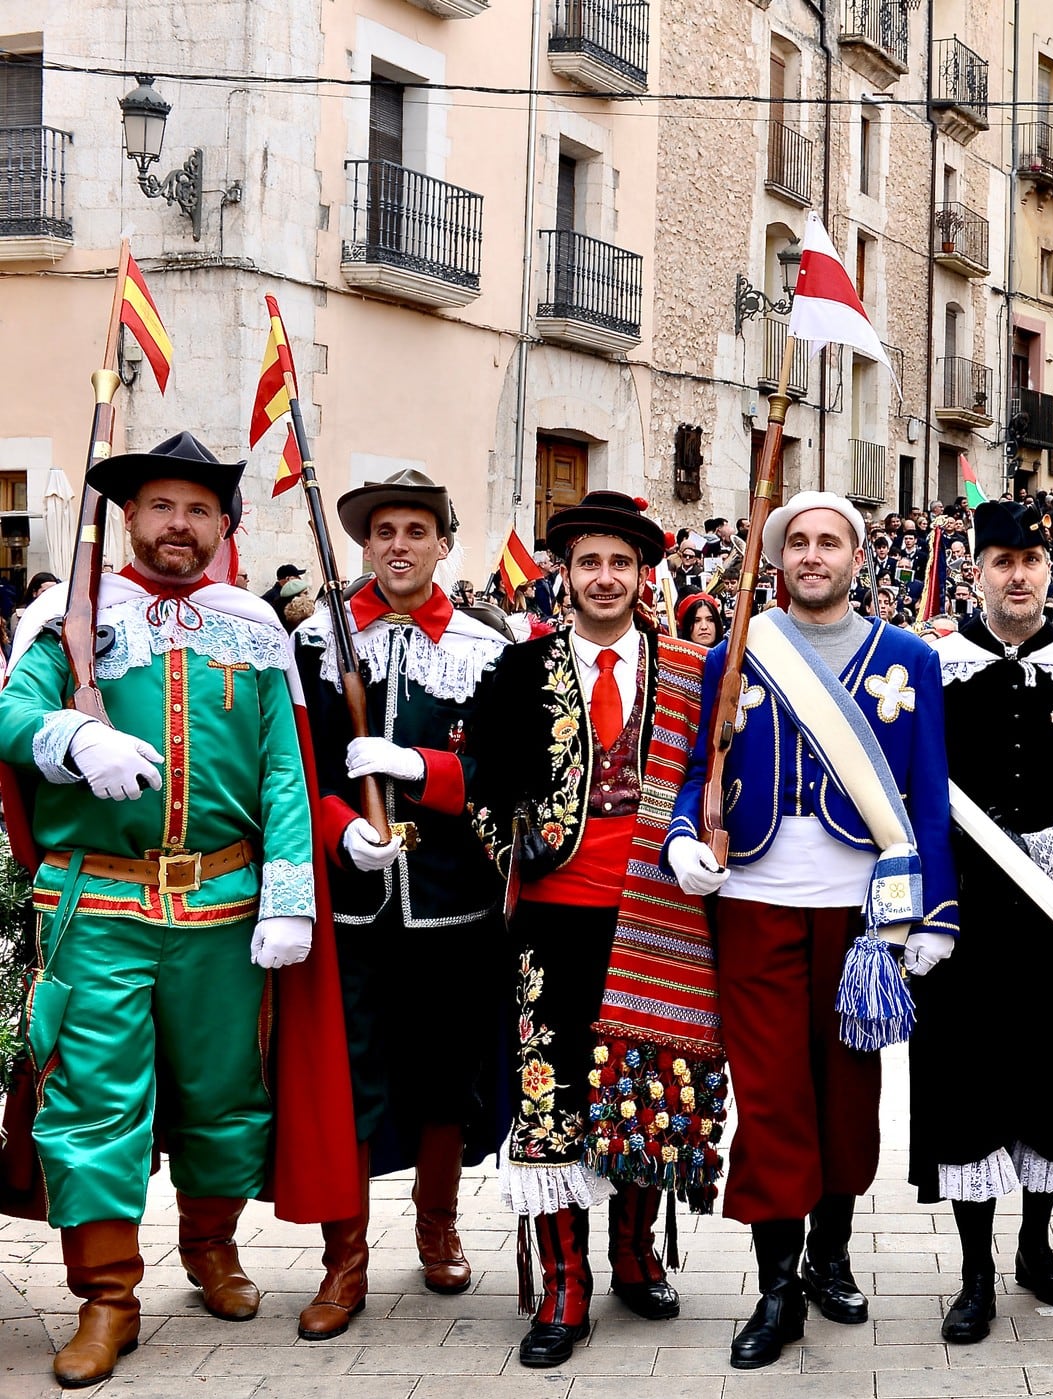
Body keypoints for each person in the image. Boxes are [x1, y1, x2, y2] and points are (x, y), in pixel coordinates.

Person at [0, 432, 354, 1387]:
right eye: (161, 507)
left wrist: (290, 897)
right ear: (128, 516)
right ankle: (108, 1296)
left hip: (227, 908)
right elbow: (11, 717)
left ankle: (211, 1247)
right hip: (100, 907)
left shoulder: (255, 625)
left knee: (224, 1098)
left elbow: (286, 768)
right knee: (92, 1101)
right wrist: (72, 735)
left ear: (224, 527)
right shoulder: (68, 615)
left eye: (199, 510)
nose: (179, 527)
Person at [666, 491, 958, 1371]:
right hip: (753, 901)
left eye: (829, 541)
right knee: (770, 1095)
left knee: (846, 1093)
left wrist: (934, 912)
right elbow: (698, 771)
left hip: (861, 917)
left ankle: (830, 1255)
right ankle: (775, 1288)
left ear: (857, 557)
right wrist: (685, 834)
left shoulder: (908, 657)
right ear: (778, 557)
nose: (812, 554)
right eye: (796, 542)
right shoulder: (736, 652)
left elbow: (930, 793)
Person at [467, 492, 689, 1368]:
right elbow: (480, 777)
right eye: (589, 562)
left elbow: (725, 777)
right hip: (555, 920)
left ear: (644, 576)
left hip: (661, 915)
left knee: (646, 1083)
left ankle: (634, 1254)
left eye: (621, 563)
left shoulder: (685, 671)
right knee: (549, 1098)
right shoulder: (522, 669)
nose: (605, 577)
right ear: (567, 572)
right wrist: (517, 844)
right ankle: (566, 1283)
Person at [914, 499, 1053, 1342]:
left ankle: (1036, 1246)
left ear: (1050, 569)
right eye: (1002, 560)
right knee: (967, 1082)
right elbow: (910, 791)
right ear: (978, 570)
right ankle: (974, 1271)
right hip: (963, 917)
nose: (1018, 575)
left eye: (1031, 560)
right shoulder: (933, 669)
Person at [291, 469, 510, 1339]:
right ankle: (344, 1260)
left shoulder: (488, 648)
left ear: (443, 544)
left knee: (443, 1078)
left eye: (416, 530)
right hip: (352, 905)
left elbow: (505, 774)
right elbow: (297, 765)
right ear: (364, 543)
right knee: (348, 1075)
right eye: (382, 530)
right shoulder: (315, 642)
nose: (398, 546)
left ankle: (438, 1225)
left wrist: (426, 770)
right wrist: (342, 826)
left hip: (453, 906)